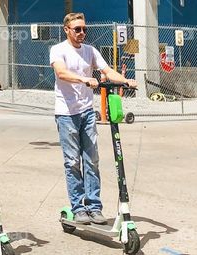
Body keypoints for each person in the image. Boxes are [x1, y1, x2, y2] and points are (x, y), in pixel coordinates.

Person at [51, 13, 136, 225]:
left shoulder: (90, 51)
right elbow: (61, 73)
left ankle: (94, 206)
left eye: (84, 29)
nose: (81, 33)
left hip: (87, 112)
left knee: (92, 160)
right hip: (66, 113)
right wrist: (84, 79)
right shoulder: (58, 50)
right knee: (72, 162)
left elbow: (107, 71)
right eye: (77, 29)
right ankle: (78, 208)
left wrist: (126, 81)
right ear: (66, 29)